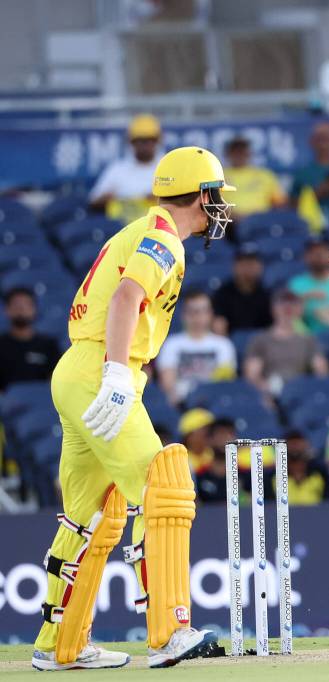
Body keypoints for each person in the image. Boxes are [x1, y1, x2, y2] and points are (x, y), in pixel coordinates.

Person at [31, 146, 233, 670]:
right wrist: (120, 374)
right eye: (216, 197)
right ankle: (169, 632)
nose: (220, 209)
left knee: (90, 515)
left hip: (77, 371)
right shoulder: (164, 237)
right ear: (203, 195)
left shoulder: (147, 229)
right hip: (102, 369)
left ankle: (60, 645)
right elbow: (126, 298)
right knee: (164, 485)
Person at [243, 289, 329, 397]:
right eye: (282, 303)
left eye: (293, 303)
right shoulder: (260, 339)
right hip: (270, 391)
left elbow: (321, 372)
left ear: (300, 309)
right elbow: (252, 376)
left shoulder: (308, 340)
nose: (287, 307)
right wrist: (266, 390)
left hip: (300, 392)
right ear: (273, 308)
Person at [156, 290, 236, 406]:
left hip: (215, 404)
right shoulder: (171, 344)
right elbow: (167, 383)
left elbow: (225, 383)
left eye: (203, 311)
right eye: (193, 312)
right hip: (182, 404)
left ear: (210, 314)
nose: (198, 316)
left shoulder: (223, 345)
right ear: (183, 315)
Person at [88, 114, 162, 222]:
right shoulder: (117, 169)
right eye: (140, 140)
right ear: (131, 142)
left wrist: (159, 199)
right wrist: (111, 200)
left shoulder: (167, 166)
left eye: (148, 140)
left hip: (158, 227)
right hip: (120, 229)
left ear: (157, 141)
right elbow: (93, 201)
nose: (144, 145)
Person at [0, 287, 61, 391]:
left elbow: (57, 381)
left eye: (26, 304)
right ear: (7, 310)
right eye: (16, 304)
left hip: (42, 402)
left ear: (35, 309)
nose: (21, 308)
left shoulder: (49, 346)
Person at [287, 239, 329, 333]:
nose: (319, 254)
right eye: (313, 251)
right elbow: (287, 315)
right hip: (309, 338)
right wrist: (304, 298)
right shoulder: (296, 284)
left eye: (323, 250)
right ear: (305, 256)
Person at [221, 136, 286, 221]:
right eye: (236, 151)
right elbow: (214, 204)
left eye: (242, 151)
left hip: (261, 222)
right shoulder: (219, 175)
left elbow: (280, 204)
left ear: (249, 153)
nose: (240, 154)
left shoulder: (265, 175)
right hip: (229, 224)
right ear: (228, 154)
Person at [211, 247, 273, 335]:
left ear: (260, 266)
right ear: (235, 266)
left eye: (251, 263)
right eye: (243, 263)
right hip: (230, 342)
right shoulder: (223, 293)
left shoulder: (267, 293)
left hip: (261, 343)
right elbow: (218, 323)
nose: (247, 268)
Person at [273, 431, 327, 505]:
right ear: (282, 449)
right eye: (292, 444)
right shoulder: (273, 476)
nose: (295, 448)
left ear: (307, 445)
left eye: (298, 444)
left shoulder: (321, 473)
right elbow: (269, 505)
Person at [178, 408, 215, 476]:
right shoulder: (179, 461)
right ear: (189, 436)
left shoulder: (216, 456)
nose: (209, 433)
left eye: (211, 429)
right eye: (204, 429)